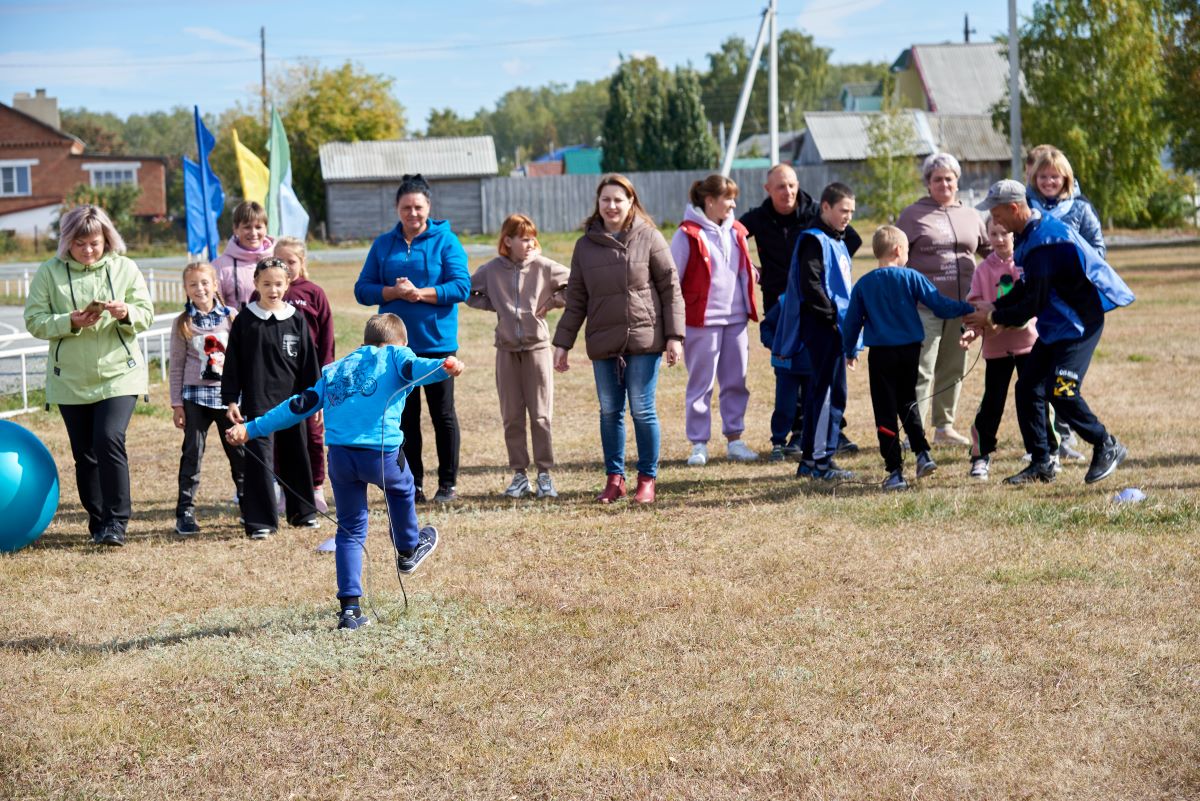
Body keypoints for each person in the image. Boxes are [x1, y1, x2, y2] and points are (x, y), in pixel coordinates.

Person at [227, 314, 464, 630]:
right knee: (402, 487)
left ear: (364, 342)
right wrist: (445, 367)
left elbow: (298, 406)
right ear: (402, 341)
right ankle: (408, 548)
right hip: (381, 455)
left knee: (350, 529)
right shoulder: (396, 355)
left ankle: (350, 611)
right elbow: (416, 369)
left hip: (340, 459)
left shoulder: (337, 369)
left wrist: (252, 429)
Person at [967, 179, 1133, 485]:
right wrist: (993, 305)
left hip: (1078, 325)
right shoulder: (1027, 235)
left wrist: (995, 316)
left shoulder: (1046, 241)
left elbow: (1035, 301)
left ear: (1014, 208)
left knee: (1063, 391)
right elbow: (1026, 286)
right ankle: (1041, 462)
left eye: (998, 213)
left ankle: (1105, 443)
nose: (995, 220)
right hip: (1056, 325)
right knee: (1028, 386)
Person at [23, 205, 154, 546]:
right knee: (85, 453)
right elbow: (34, 320)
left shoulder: (125, 268)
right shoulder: (49, 272)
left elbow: (147, 313)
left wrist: (126, 313)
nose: (88, 250)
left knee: (109, 438)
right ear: (67, 242)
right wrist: (69, 322)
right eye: (80, 244)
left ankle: (117, 522)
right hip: (70, 380)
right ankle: (98, 522)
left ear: (107, 239)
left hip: (118, 375)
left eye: (94, 243)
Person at [552, 173, 685, 505]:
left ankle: (646, 480)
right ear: (598, 204)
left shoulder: (650, 238)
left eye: (618, 199)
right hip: (603, 342)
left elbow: (671, 290)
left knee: (642, 409)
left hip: (644, 338)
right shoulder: (585, 246)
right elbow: (577, 298)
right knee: (610, 410)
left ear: (631, 203)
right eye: (605, 200)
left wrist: (674, 336)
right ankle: (615, 479)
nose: (611, 206)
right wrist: (562, 343)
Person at [354, 174, 470, 504]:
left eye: (418, 207)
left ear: (429, 207)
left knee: (443, 415)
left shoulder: (446, 241)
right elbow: (362, 289)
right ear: (397, 208)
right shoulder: (383, 244)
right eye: (406, 208)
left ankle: (447, 484)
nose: (412, 213)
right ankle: (412, 482)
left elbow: (461, 286)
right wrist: (391, 291)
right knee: (405, 418)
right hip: (394, 348)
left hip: (436, 344)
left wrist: (421, 294)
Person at [739, 163, 862, 455]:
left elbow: (852, 240)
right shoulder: (758, 218)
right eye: (781, 186)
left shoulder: (815, 213)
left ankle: (833, 430)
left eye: (792, 185)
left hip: (814, 302)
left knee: (820, 370)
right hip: (779, 303)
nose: (788, 191)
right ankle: (797, 433)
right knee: (789, 367)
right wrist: (751, 268)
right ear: (768, 189)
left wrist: (831, 268)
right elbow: (733, 236)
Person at [842, 226, 974, 490]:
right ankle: (922, 454)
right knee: (908, 402)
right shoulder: (912, 277)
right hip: (911, 350)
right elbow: (939, 305)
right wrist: (969, 308)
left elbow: (851, 322)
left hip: (881, 355)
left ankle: (894, 472)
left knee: (885, 410)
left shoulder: (864, 283)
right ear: (898, 250)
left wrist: (850, 350)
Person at [467, 213, 569, 499]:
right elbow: (467, 290)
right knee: (511, 416)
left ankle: (545, 474)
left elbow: (576, 286)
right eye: (523, 238)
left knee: (540, 416)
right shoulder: (491, 270)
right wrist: (494, 305)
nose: (529, 243)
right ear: (507, 240)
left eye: (531, 238)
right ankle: (519, 475)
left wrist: (551, 301)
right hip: (506, 351)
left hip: (537, 349)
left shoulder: (544, 267)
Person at [222, 257, 320, 537]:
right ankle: (261, 521)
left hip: (292, 402)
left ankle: (303, 513)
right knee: (259, 462)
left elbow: (308, 364)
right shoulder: (246, 319)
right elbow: (233, 364)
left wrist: (314, 398)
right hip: (257, 402)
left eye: (278, 284)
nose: (273, 289)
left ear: (287, 284)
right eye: (266, 284)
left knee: (296, 455)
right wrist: (231, 399)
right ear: (256, 284)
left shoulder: (296, 318)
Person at [897, 152, 989, 447]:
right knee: (921, 368)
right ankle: (914, 431)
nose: (944, 184)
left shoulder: (971, 215)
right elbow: (895, 256)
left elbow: (990, 251)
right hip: (925, 306)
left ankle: (944, 427)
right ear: (928, 183)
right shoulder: (912, 216)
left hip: (963, 306)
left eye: (949, 178)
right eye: (938, 179)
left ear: (957, 182)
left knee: (954, 367)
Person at [670, 174, 759, 467]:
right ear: (710, 201)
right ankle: (698, 443)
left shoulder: (736, 231)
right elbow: (672, 279)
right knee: (702, 383)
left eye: (734, 197)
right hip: (701, 321)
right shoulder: (686, 234)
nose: (734, 204)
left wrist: (753, 274)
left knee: (736, 381)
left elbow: (739, 268)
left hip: (735, 320)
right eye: (728, 198)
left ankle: (735, 440)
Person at [775, 183, 857, 481]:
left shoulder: (837, 239)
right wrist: (834, 319)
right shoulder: (814, 240)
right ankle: (820, 461)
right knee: (827, 395)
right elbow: (812, 286)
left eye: (851, 211)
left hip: (834, 328)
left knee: (829, 393)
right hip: (823, 328)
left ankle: (812, 459)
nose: (847, 216)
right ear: (825, 207)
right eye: (842, 210)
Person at [959, 216, 1044, 481]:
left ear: (1015, 236)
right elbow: (975, 308)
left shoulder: (1025, 264)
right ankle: (981, 455)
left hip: (1027, 344)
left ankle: (1041, 452)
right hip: (996, 349)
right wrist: (971, 332)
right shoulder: (983, 270)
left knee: (1033, 400)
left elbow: (1032, 304)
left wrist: (1003, 322)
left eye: (1004, 233)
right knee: (992, 401)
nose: (998, 239)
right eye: (993, 234)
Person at [169, 262, 243, 535]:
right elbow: (176, 365)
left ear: (215, 285)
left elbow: (242, 360)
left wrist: (240, 395)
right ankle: (185, 511)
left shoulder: (232, 317)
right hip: (194, 398)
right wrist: (177, 403)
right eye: (192, 285)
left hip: (227, 400)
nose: (199, 289)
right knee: (192, 454)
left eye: (204, 283)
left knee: (239, 452)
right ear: (186, 290)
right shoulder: (183, 322)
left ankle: (248, 503)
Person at [265, 236, 335, 513]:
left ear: (302, 262)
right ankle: (286, 490)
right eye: (280, 262)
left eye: (291, 262)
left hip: (310, 380)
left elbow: (327, 342)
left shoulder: (314, 293)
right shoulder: (266, 294)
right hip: (275, 380)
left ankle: (316, 488)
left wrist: (325, 381)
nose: (286, 267)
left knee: (313, 436)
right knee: (280, 434)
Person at [1025, 145, 1106, 256]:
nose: (1049, 182)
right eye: (1043, 176)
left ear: (1065, 178)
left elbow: (1098, 251)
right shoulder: (1025, 207)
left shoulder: (1082, 209)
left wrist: (1071, 260)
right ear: (1035, 178)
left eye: (1054, 176)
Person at [758, 291, 810, 461]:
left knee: (812, 407)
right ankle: (778, 443)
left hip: (812, 368)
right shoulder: (784, 301)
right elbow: (766, 326)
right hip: (786, 367)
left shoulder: (823, 302)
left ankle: (806, 442)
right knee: (784, 407)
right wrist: (776, 346)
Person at [213, 200, 275, 310]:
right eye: (247, 227)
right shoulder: (219, 267)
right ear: (235, 229)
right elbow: (213, 309)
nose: (253, 233)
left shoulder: (278, 259)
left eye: (258, 227)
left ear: (266, 228)